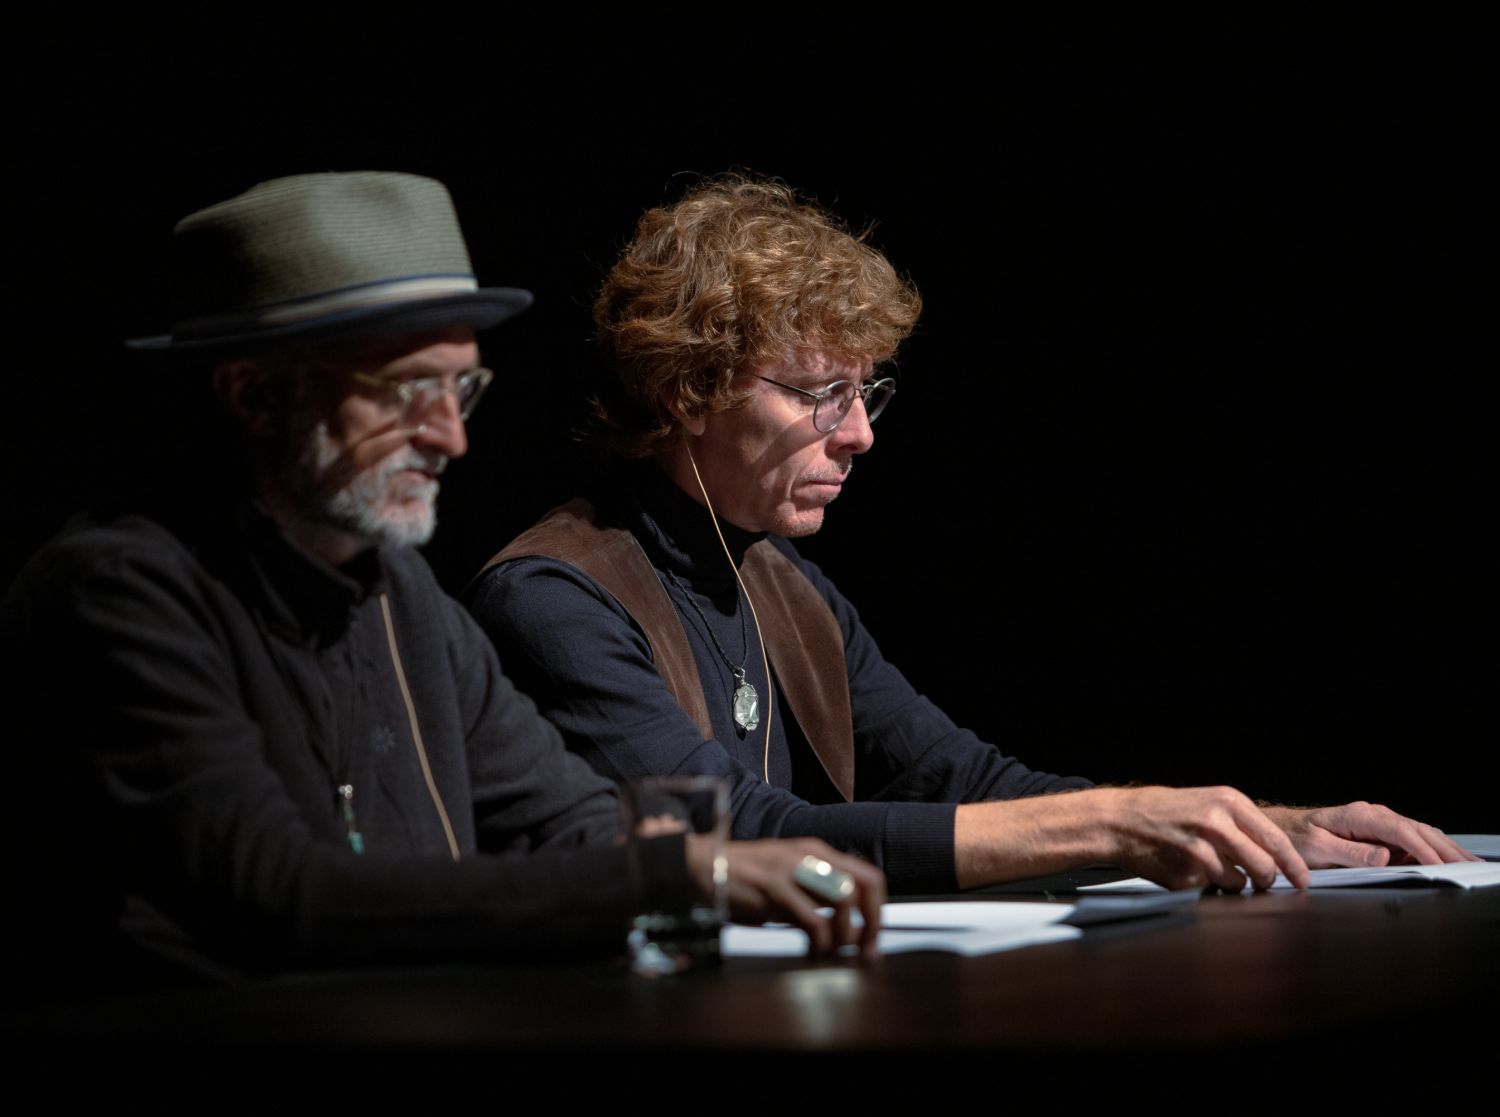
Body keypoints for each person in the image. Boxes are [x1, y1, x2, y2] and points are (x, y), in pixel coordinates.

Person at [465, 174, 1476, 896]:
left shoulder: (785, 585)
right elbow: (744, 832)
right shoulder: (556, 596)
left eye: (865, 394)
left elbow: (964, 780)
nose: (859, 434)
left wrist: (1259, 826)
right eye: (820, 395)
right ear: (689, 390)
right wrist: (1115, 823)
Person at [0, 172, 880, 995]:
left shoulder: (400, 595)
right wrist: (674, 875)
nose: (451, 438)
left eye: (460, 389)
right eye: (405, 391)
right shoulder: (119, 594)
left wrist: (713, 862)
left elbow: (568, 817)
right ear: (255, 397)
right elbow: (279, 894)